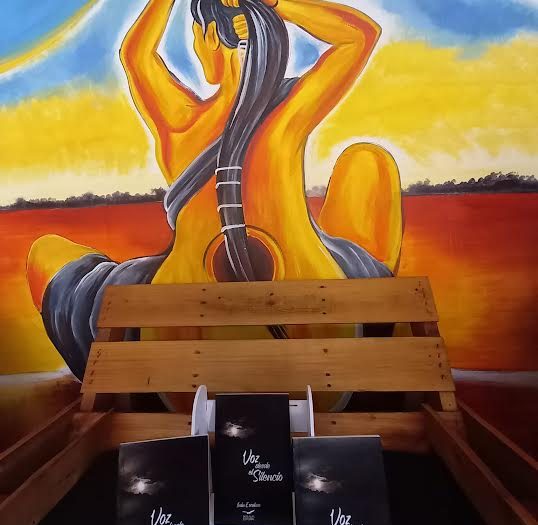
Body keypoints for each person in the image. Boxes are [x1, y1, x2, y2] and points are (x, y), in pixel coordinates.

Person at [27, 0, 402, 382]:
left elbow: (136, 55)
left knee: (47, 253)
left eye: (194, 35)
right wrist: (275, 4)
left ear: (208, 35)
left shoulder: (181, 126)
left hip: (174, 361)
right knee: (367, 162)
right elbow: (360, 36)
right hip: (320, 350)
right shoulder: (285, 116)